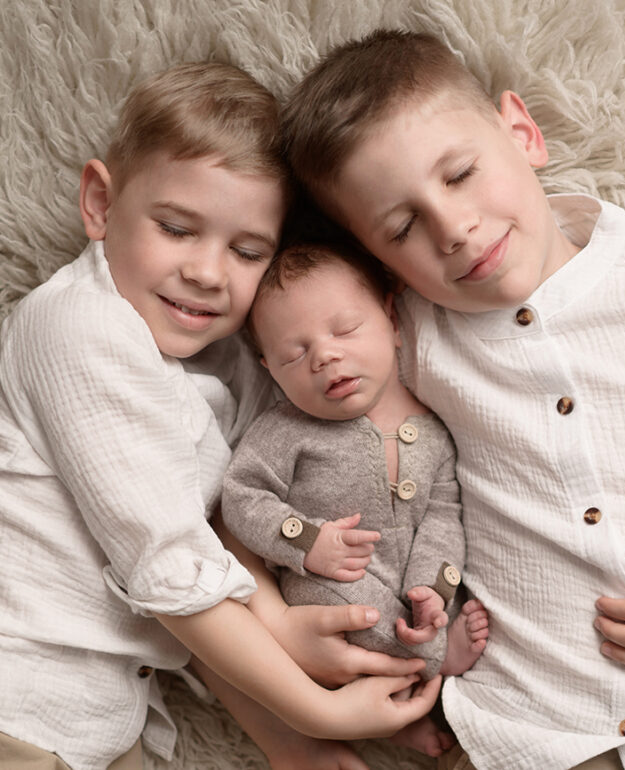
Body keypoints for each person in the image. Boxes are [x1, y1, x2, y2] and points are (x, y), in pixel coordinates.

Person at [278, 29, 625, 770]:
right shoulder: (408, 337)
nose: (453, 229)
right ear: (379, 263)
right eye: (403, 228)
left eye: (461, 174)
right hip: (525, 737)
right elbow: (270, 452)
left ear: (522, 133)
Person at [0, 61, 441, 770]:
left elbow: (212, 555)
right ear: (100, 204)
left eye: (246, 251)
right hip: (21, 701)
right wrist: (313, 710)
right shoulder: (78, 325)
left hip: (98, 728)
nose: (207, 272)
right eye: (177, 229)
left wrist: (291, 745)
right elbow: (168, 564)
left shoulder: (232, 366)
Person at [221, 240, 489, 756]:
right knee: (347, 605)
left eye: (345, 330)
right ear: (269, 368)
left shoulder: (434, 432)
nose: (324, 356)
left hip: (404, 581)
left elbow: (444, 517)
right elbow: (242, 496)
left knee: (435, 601)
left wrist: (433, 589)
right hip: (329, 585)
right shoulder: (286, 430)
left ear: (392, 320)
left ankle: (401, 702)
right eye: (294, 354)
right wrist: (307, 541)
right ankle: (432, 664)